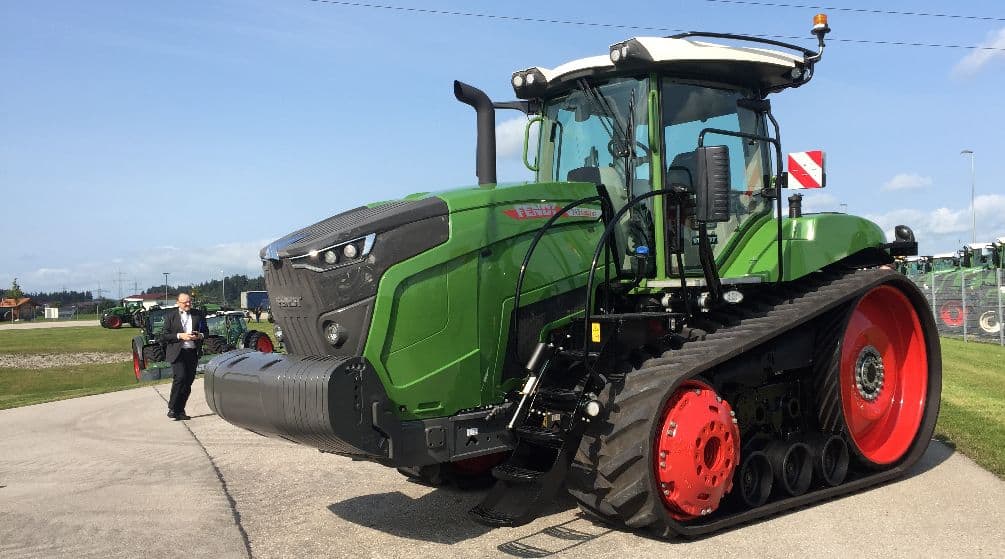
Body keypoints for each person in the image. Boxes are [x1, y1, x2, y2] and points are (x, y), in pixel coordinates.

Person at [159, 293, 208, 420]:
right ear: (178, 303)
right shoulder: (171, 316)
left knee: (188, 382)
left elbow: (206, 332)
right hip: (177, 353)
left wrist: (199, 335)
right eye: (185, 302)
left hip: (192, 352)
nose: (188, 304)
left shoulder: (198, 314)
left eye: (189, 302)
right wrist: (180, 336)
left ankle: (180, 411)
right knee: (180, 377)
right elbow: (164, 336)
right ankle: (172, 407)